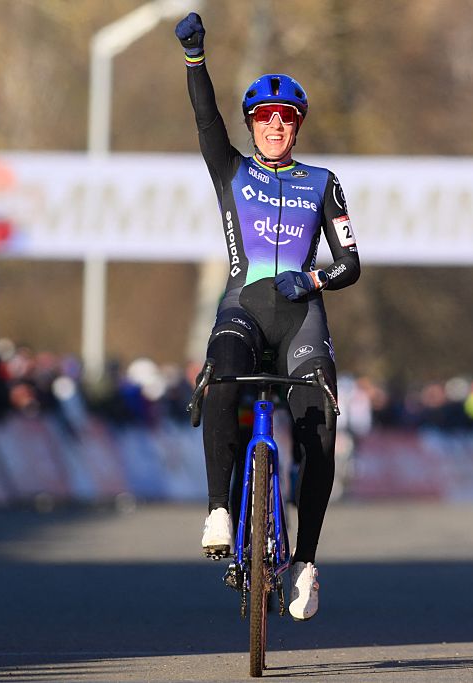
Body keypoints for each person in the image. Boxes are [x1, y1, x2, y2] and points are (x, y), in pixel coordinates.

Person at [175, 12, 361, 621]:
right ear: (254, 124)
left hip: (302, 318)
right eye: (264, 117)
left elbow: (351, 261)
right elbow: (206, 122)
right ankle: (218, 510)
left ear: (297, 126)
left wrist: (311, 278)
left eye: (286, 118)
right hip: (244, 310)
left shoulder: (323, 182)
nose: (275, 125)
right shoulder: (232, 171)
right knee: (224, 377)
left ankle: (305, 563)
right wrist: (196, 60)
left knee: (321, 427)